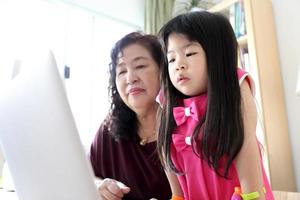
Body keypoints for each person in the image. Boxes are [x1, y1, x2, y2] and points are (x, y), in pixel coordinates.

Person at [156, 11, 275, 200]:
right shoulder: (167, 100)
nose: (179, 65)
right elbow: (167, 153)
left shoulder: (235, 84)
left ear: (217, 55)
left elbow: (247, 147)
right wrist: (177, 196)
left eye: (189, 53)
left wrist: (251, 196)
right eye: (171, 59)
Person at [89, 32, 171, 200]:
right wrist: (99, 186)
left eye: (140, 66)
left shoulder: (187, 126)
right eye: (121, 71)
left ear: (163, 71)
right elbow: (87, 176)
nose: (130, 78)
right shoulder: (109, 128)